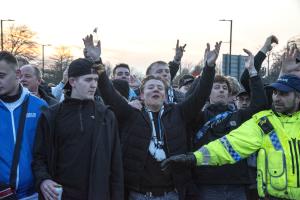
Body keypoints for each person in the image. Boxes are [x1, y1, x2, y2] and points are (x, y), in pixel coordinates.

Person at [85, 33, 221, 199]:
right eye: (150, 88)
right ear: (141, 95)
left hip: (172, 193)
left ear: (165, 94)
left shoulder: (178, 113)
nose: (155, 90)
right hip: (138, 194)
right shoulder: (130, 114)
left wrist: (208, 67)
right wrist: (97, 62)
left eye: (159, 88)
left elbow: (200, 95)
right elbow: (107, 91)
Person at [162, 73, 300, 200]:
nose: (276, 98)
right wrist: (193, 157)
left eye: (284, 94)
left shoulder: (239, 115)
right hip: (208, 184)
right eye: (275, 93)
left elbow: (259, 102)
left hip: (237, 183)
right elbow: (230, 145)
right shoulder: (264, 122)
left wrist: (253, 71)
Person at [32, 58, 123, 200]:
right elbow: (39, 156)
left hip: (98, 194)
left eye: (95, 80)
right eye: (88, 80)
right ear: (72, 81)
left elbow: (116, 164)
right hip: (61, 195)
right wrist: (43, 179)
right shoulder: (52, 115)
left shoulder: (106, 116)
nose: (93, 85)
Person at [0, 51, 47, 199]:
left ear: (18, 74)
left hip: (34, 194)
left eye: (1, 76)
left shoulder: (39, 106)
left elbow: (48, 152)